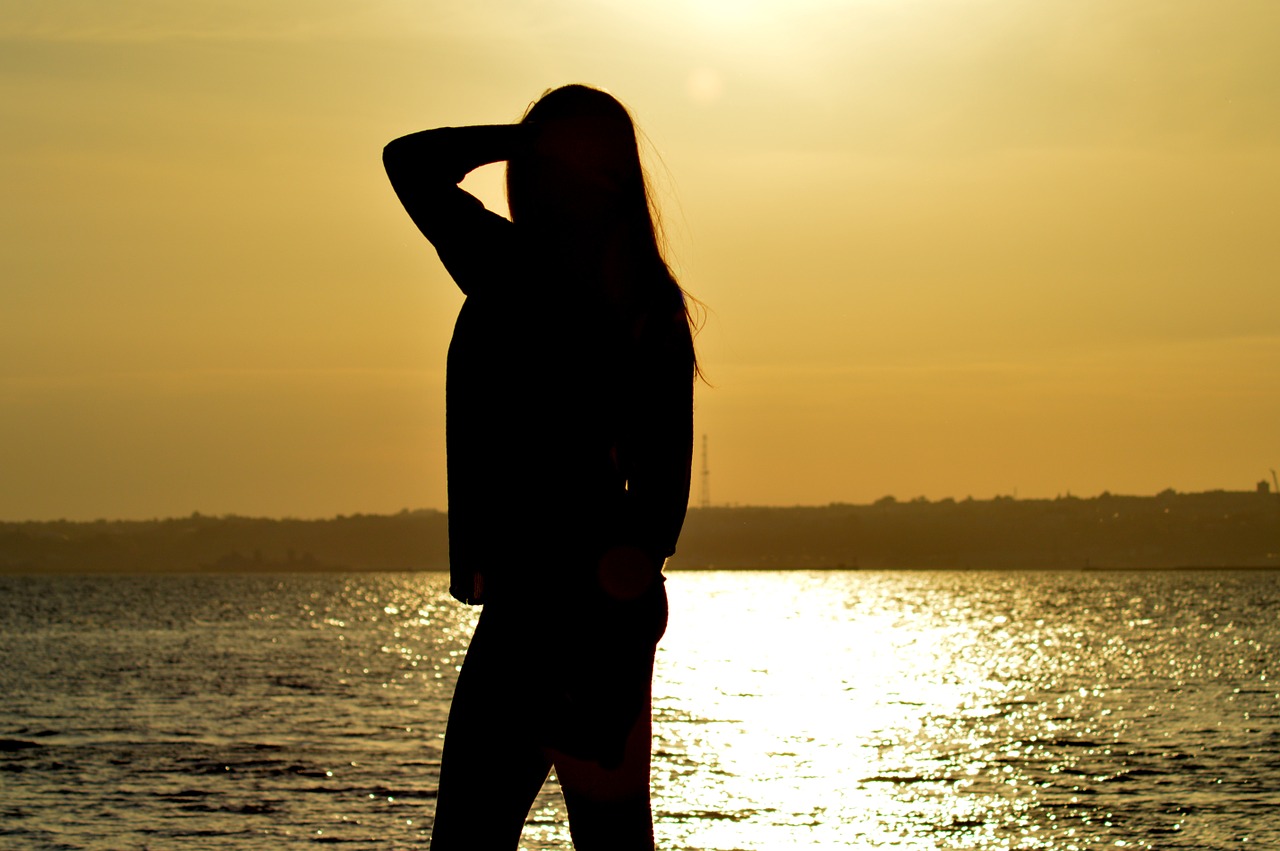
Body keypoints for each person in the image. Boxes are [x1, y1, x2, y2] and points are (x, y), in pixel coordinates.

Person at [383, 84, 697, 850]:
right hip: (586, 603)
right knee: (606, 840)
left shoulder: (523, 272)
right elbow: (660, 502)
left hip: (555, 609)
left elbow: (413, 162)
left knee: (484, 840)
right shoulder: (620, 292)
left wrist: (518, 138)